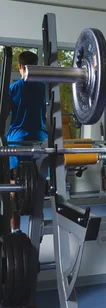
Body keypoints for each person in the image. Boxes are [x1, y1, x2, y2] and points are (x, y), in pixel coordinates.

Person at [7, 51, 47, 233]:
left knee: (14, 184)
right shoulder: (42, 87)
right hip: (38, 141)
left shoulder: (14, 88)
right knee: (37, 183)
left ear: (19, 67)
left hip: (17, 142)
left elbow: (5, 112)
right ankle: (37, 225)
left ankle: (15, 229)